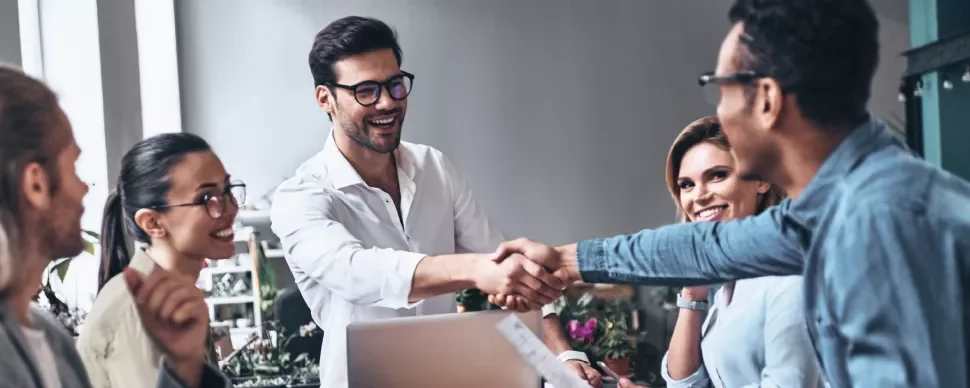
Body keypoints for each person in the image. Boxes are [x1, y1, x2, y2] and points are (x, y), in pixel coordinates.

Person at [490, 0, 970, 387]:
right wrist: (565, 259)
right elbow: (705, 247)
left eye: (718, 88)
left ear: (766, 99)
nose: (718, 109)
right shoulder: (833, 205)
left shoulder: (879, 225)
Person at [269, 16, 599, 388]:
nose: (387, 103)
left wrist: (564, 358)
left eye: (395, 85)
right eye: (365, 90)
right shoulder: (300, 197)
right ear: (325, 98)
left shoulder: (433, 167)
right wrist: (476, 269)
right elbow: (355, 271)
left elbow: (509, 269)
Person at [0, 65, 230, 387]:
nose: (84, 187)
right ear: (36, 184)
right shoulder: (129, 311)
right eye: (73, 166)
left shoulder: (43, 332)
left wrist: (182, 369)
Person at [629, 117, 820, 388]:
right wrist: (693, 293)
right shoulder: (729, 285)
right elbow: (685, 384)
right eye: (686, 185)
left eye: (717, 175)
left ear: (762, 180)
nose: (699, 196)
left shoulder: (789, 273)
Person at [76, 133, 244, 387]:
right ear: (153, 223)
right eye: (207, 198)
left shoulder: (174, 296)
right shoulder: (140, 309)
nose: (231, 209)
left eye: (228, 190)